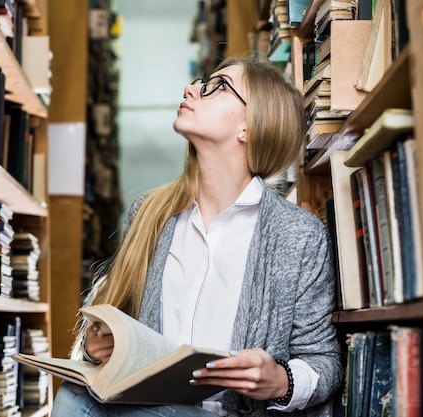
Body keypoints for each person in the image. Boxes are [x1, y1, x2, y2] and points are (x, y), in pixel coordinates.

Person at [50, 56, 343, 417]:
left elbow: (323, 360)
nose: (191, 89)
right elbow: (117, 323)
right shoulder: (149, 213)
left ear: (250, 126)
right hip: (152, 408)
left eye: (217, 87)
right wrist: (101, 347)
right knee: (74, 395)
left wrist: (281, 381)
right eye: (201, 82)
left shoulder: (297, 235)